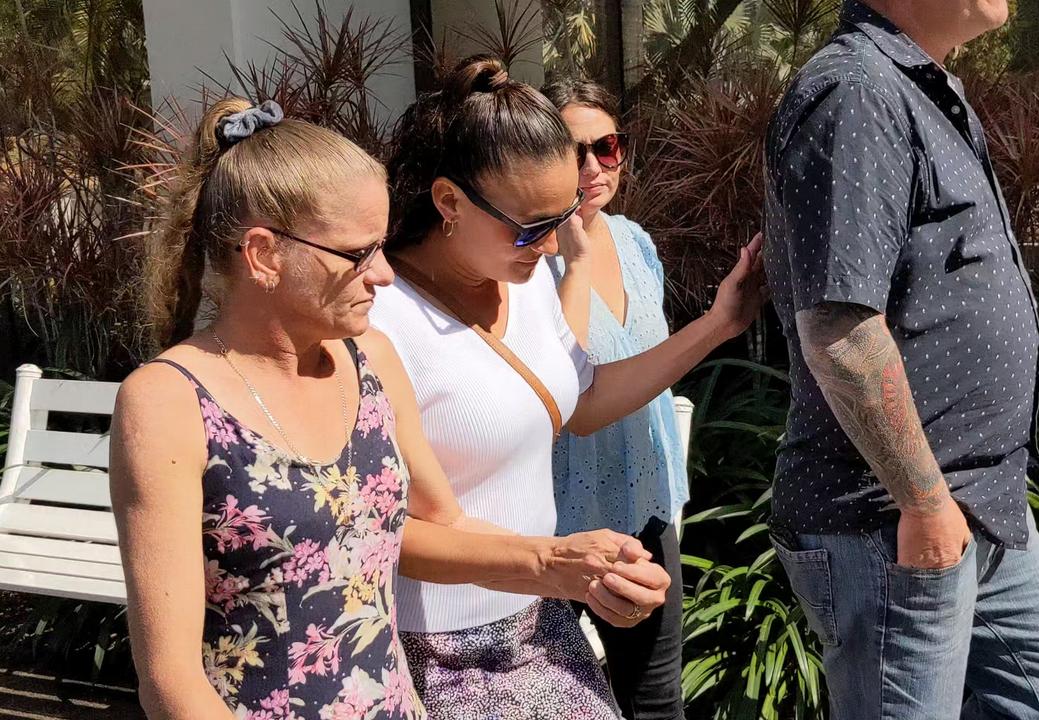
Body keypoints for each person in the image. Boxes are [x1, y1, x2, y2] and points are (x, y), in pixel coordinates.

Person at [111, 97, 657, 719]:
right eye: (357, 253)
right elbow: (170, 680)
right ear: (263, 254)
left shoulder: (370, 361)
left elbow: (441, 525)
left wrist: (571, 566)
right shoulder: (166, 402)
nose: (385, 275)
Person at [375, 56, 766, 719]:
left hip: (541, 621)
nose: (555, 248)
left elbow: (582, 404)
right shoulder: (380, 315)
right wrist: (557, 563)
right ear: (447, 202)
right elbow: (379, 530)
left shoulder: (521, 281)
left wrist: (719, 325)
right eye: (533, 226)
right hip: (431, 652)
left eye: (560, 219)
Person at [762, 2, 1039, 719]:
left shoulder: (919, 85)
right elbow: (841, 327)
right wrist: (923, 501)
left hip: (982, 501)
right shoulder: (856, 91)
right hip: (895, 518)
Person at [538, 76, 724, 720]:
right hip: (561, 521)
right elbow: (563, 391)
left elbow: (653, 369)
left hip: (647, 505)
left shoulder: (636, 243)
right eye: (571, 151)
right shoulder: (527, 264)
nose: (591, 167)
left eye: (606, 148)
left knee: (655, 698)